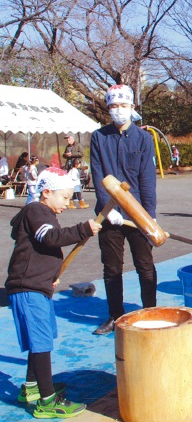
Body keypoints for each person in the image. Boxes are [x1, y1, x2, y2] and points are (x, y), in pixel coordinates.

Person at [5, 167, 101, 419]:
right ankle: (47, 401)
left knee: (41, 339)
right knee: (40, 342)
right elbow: (49, 238)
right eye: (65, 198)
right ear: (47, 192)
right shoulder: (36, 211)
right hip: (28, 289)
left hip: (39, 286)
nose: (68, 204)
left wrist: (50, 275)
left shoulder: (44, 213)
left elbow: (42, 251)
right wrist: (83, 229)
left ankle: (32, 387)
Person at [90, 84, 158, 335]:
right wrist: (108, 209)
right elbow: (98, 175)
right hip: (108, 212)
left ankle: (150, 309)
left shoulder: (144, 138)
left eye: (123, 105)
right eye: (113, 106)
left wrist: (149, 214)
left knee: (145, 264)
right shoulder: (99, 137)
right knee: (111, 267)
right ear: (108, 109)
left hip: (137, 211)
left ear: (132, 107)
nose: (118, 110)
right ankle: (114, 315)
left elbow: (147, 178)